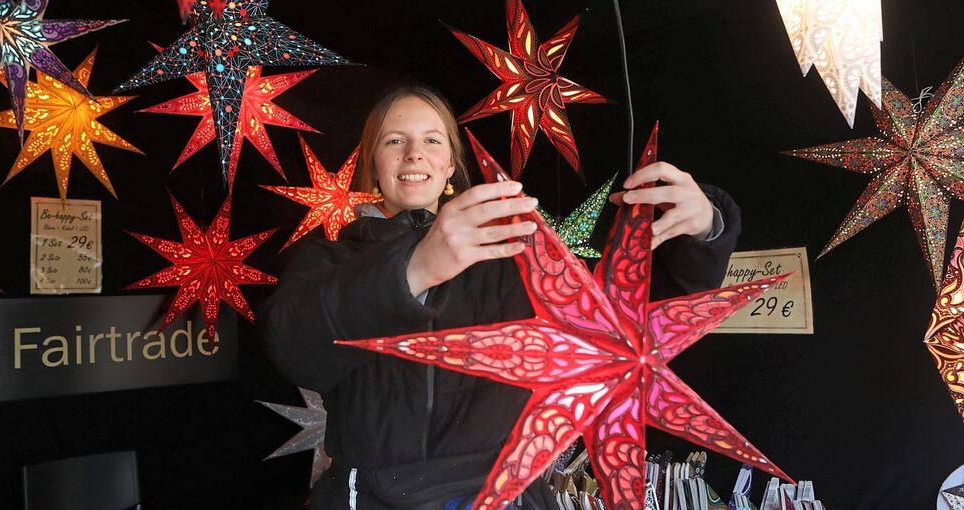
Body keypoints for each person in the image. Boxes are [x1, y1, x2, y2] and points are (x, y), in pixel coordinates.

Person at [260, 84, 741, 510]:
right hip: (368, 498)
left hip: (501, 495)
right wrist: (414, 271)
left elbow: (639, 321)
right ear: (373, 163)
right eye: (394, 141)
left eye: (432, 140)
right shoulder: (329, 260)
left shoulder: (514, 257)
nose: (414, 154)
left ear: (450, 163)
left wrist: (702, 230)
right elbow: (295, 348)